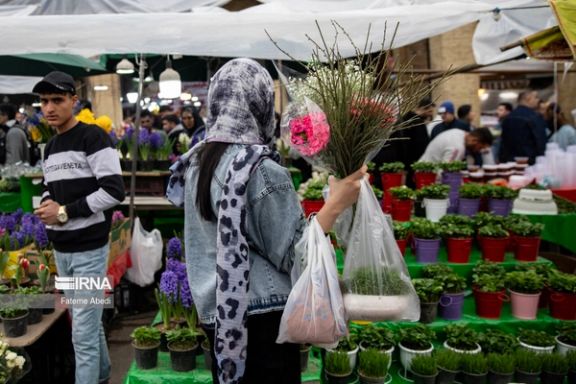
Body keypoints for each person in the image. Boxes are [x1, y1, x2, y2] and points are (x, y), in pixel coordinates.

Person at [169, 58, 365, 384]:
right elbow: (296, 254)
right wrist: (335, 204)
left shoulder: (195, 163)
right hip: (263, 317)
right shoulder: (260, 169)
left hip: (219, 314)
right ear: (261, 105)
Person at [32, 71, 125, 384]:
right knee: (87, 322)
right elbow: (48, 187)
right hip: (63, 251)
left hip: (87, 250)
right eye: (44, 101)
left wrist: (63, 213)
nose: (49, 107)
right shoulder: (51, 146)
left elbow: (113, 190)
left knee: (82, 335)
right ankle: (101, 376)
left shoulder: (93, 137)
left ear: (74, 100)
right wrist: (47, 204)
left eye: (57, 100)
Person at [499, 90, 547, 164]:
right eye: (536, 98)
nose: (538, 100)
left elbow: (503, 142)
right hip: (529, 161)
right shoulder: (534, 117)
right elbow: (540, 140)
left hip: (510, 161)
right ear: (528, 99)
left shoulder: (508, 118)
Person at [419, 127, 494, 164]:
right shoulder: (457, 147)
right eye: (480, 147)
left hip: (424, 170)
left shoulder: (459, 132)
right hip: (426, 176)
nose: (478, 151)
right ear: (474, 140)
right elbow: (446, 174)